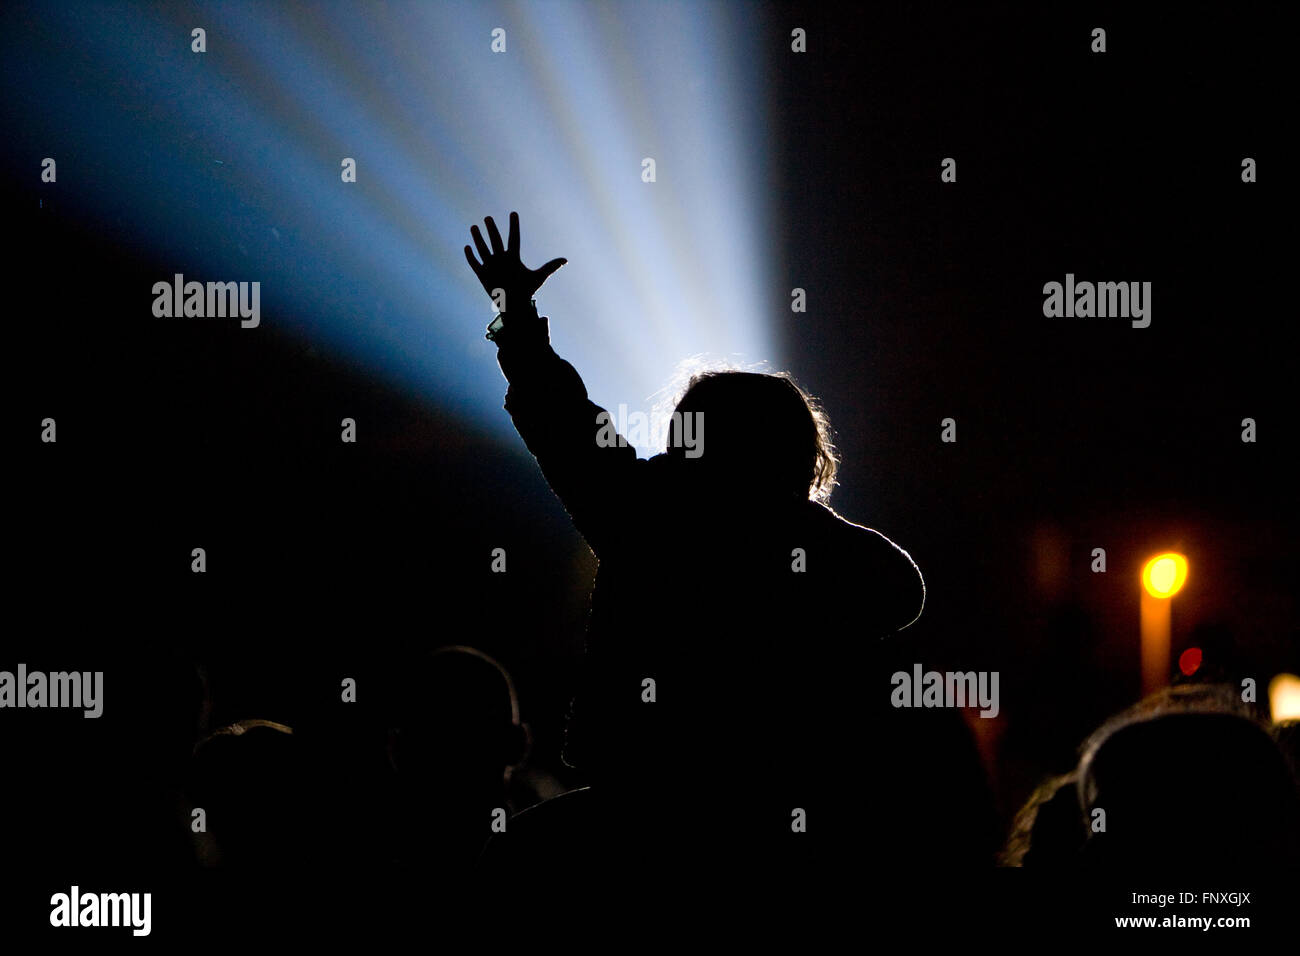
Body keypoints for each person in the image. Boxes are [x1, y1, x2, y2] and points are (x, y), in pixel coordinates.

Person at [466, 213, 926, 879]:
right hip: (786, 821)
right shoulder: (826, 556)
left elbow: (560, 418)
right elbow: (900, 590)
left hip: (638, 808)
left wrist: (515, 311)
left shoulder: (645, 514)